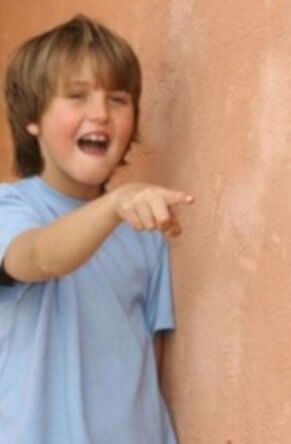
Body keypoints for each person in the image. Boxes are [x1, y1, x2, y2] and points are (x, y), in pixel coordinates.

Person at [0, 15, 193, 443]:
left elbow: (150, 368)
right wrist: (114, 206)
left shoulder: (145, 229)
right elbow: (38, 257)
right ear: (32, 117)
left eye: (118, 99)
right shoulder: (11, 207)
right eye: (76, 96)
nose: (101, 113)